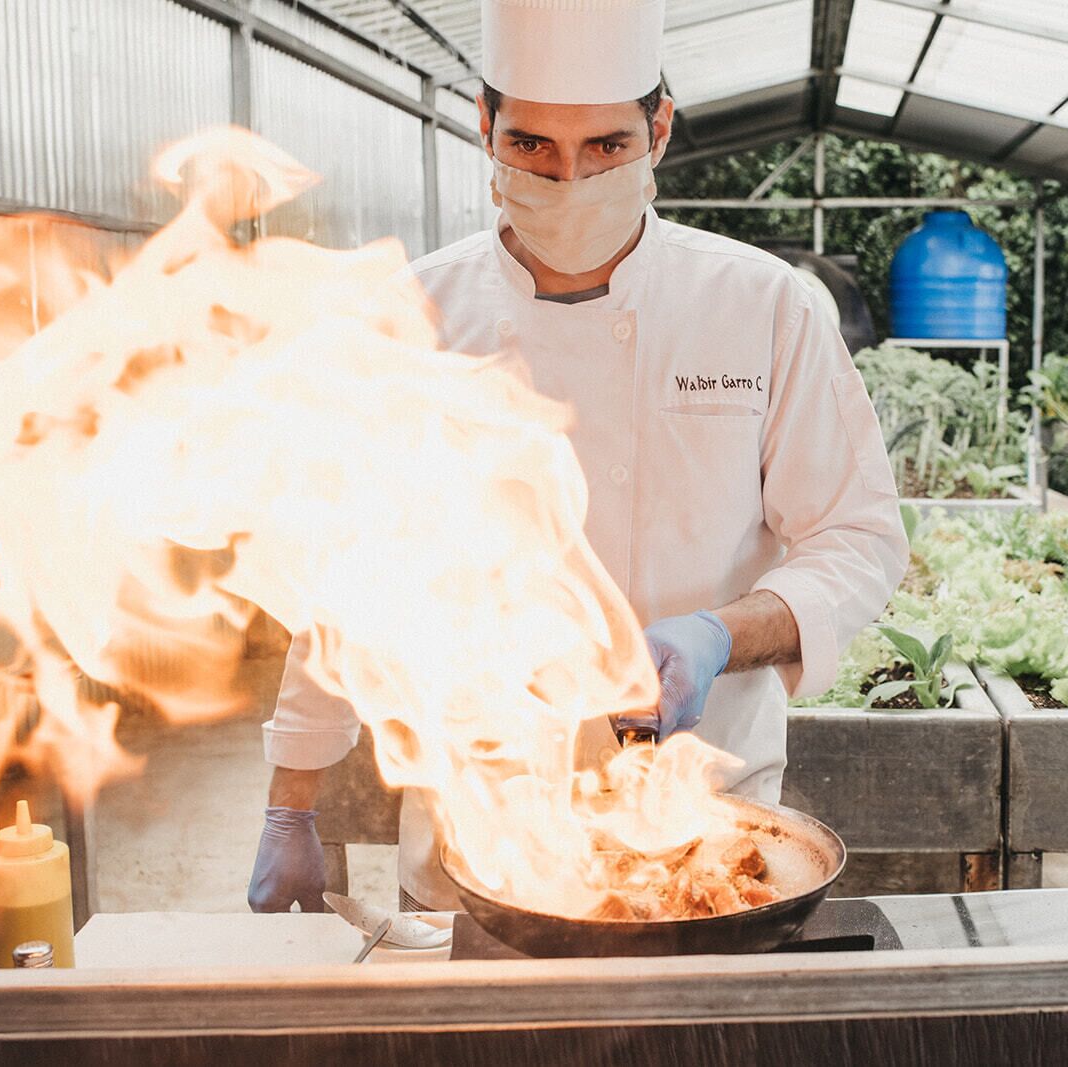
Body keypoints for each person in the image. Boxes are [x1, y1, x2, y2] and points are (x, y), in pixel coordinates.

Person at [247, 0, 909, 914]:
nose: (568, 181)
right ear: (485, 125)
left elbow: (860, 537)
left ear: (659, 129)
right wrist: (292, 801)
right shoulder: (412, 317)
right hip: (475, 838)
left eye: (603, 147)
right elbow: (345, 575)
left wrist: (722, 634)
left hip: (701, 834)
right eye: (532, 148)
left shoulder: (761, 308)